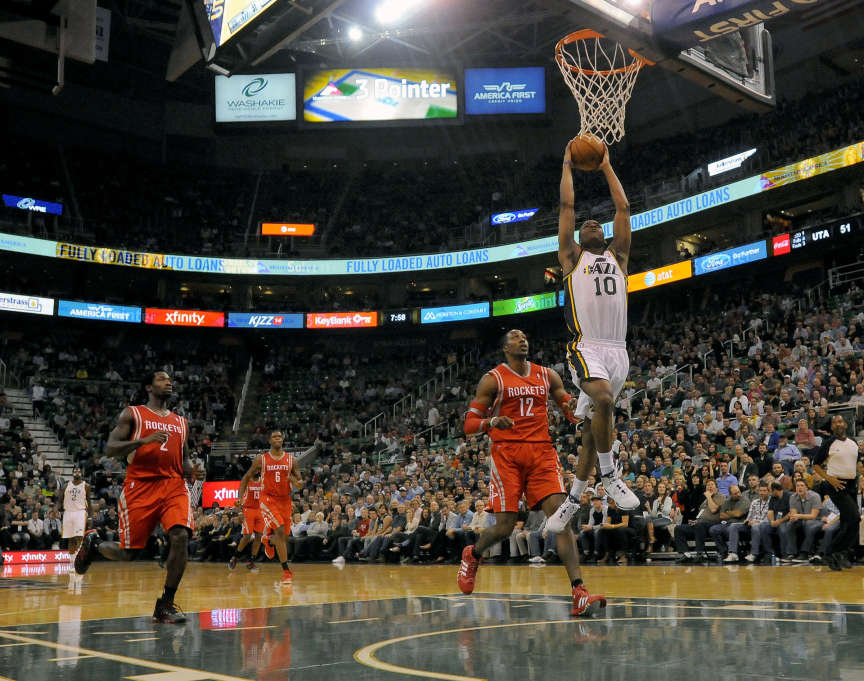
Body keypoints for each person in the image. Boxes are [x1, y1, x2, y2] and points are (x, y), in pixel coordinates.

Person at [460, 329, 605, 617]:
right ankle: (473, 554)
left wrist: (578, 411)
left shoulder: (547, 375)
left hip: (541, 452)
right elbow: (469, 424)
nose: (522, 340)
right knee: (505, 526)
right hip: (507, 456)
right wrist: (491, 422)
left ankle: (579, 592)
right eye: (515, 338)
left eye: (525, 336)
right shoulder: (493, 379)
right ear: (505, 348)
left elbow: (567, 407)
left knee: (561, 519)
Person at [547, 138, 639, 536]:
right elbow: (567, 207)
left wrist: (605, 166)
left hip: (618, 351)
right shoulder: (571, 258)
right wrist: (567, 163)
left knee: (591, 430)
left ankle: (573, 499)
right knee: (602, 400)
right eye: (587, 225)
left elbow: (624, 208)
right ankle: (610, 474)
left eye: (595, 224)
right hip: (586, 347)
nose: (591, 224)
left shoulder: (618, 257)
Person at [74, 371, 204, 624]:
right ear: (148, 386)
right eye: (161, 379)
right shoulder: (132, 414)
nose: (168, 382)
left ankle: (165, 603)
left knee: (180, 535)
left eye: (170, 380)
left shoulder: (181, 422)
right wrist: (144, 440)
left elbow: (184, 456)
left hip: (174, 485)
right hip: (140, 486)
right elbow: (111, 448)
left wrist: (190, 470)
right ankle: (95, 545)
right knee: (129, 554)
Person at [238, 430, 301, 585]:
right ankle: (286, 571)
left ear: (283, 439)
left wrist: (297, 481)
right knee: (279, 530)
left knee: (283, 537)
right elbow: (246, 477)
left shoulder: (291, 460)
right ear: (270, 440)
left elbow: (299, 479)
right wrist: (240, 497)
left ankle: (268, 540)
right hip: (268, 499)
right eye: (274, 436)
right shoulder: (262, 459)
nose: (277, 438)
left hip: (285, 501)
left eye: (279, 436)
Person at [812, 415, 860, 570]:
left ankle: (841, 554)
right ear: (832, 427)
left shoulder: (853, 442)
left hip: (852, 484)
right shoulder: (828, 443)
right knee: (854, 518)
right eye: (835, 422)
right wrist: (829, 478)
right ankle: (831, 552)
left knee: (848, 522)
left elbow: (857, 463)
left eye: (841, 421)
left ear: (845, 424)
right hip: (836, 484)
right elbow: (816, 465)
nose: (839, 424)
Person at [59, 466, 89, 589]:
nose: (77, 472)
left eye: (79, 470)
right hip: (68, 512)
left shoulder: (86, 486)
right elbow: (60, 499)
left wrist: (91, 516)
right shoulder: (66, 485)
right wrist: (57, 509)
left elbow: (90, 503)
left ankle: (78, 563)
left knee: (79, 538)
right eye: (75, 471)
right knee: (70, 539)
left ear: (81, 473)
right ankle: (72, 564)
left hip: (80, 512)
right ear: (72, 473)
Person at [229, 470, 264, 571]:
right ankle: (235, 557)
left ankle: (251, 561)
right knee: (247, 536)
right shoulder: (247, 479)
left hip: (260, 510)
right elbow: (241, 489)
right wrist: (239, 499)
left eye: (259, 469)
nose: (257, 471)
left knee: (259, 537)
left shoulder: (263, 481)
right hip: (249, 509)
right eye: (256, 469)